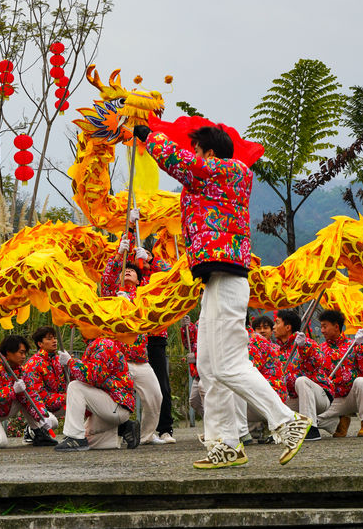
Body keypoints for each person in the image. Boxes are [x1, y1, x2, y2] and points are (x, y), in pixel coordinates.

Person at [134, 122, 311, 469]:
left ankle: (287, 421)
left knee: (228, 365)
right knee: (208, 367)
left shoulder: (230, 171)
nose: (194, 155)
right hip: (215, 279)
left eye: (198, 149)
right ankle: (225, 443)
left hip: (229, 278)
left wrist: (149, 135)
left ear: (210, 153)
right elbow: (188, 173)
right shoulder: (209, 180)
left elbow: (179, 162)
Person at [101, 238, 163, 445]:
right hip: (118, 361)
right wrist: (119, 254)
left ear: (139, 280)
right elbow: (107, 278)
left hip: (140, 359)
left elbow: (165, 276)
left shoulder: (144, 296)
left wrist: (150, 260)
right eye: (124, 271)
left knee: (155, 397)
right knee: (115, 401)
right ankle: (113, 437)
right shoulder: (111, 294)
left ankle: (145, 436)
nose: (127, 272)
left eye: (132, 271)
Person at [55, 337, 139, 451]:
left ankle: (76, 437)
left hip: (115, 405)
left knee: (75, 387)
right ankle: (124, 428)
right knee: (89, 440)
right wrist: (70, 365)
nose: (80, 328)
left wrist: (71, 362)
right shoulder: (94, 345)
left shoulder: (103, 344)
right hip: (108, 408)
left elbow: (94, 375)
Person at [138, 235, 176, 443]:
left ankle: (165, 428)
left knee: (161, 384)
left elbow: (171, 276)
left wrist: (151, 261)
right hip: (131, 338)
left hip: (155, 335)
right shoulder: (128, 272)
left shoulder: (155, 276)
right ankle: (134, 430)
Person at [273, 309, 332, 441]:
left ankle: (311, 429)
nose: (273, 327)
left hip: (319, 397)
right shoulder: (276, 351)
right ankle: (328, 422)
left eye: (277, 323)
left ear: (288, 327)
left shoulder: (306, 343)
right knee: (271, 404)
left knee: (301, 381)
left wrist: (304, 347)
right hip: (295, 399)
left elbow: (319, 362)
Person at [317, 309, 363, 437]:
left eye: (324, 326)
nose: (322, 330)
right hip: (334, 401)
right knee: (312, 420)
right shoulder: (320, 349)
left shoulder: (353, 344)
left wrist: (362, 346)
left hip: (353, 397)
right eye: (321, 326)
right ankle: (340, 420)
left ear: (336, 326)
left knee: (362, 382)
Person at [22, 326, 67, 443]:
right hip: (42, 406)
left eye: (55, 338)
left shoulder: (58, 360)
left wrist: (70, 365)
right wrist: (65, 397)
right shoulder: (33, 364)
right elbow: (40, 396)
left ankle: (75, 433)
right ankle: (32, 430)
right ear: (40, 344)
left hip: (59, 402)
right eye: (49, 339)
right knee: (54, 423)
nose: (54, 341)